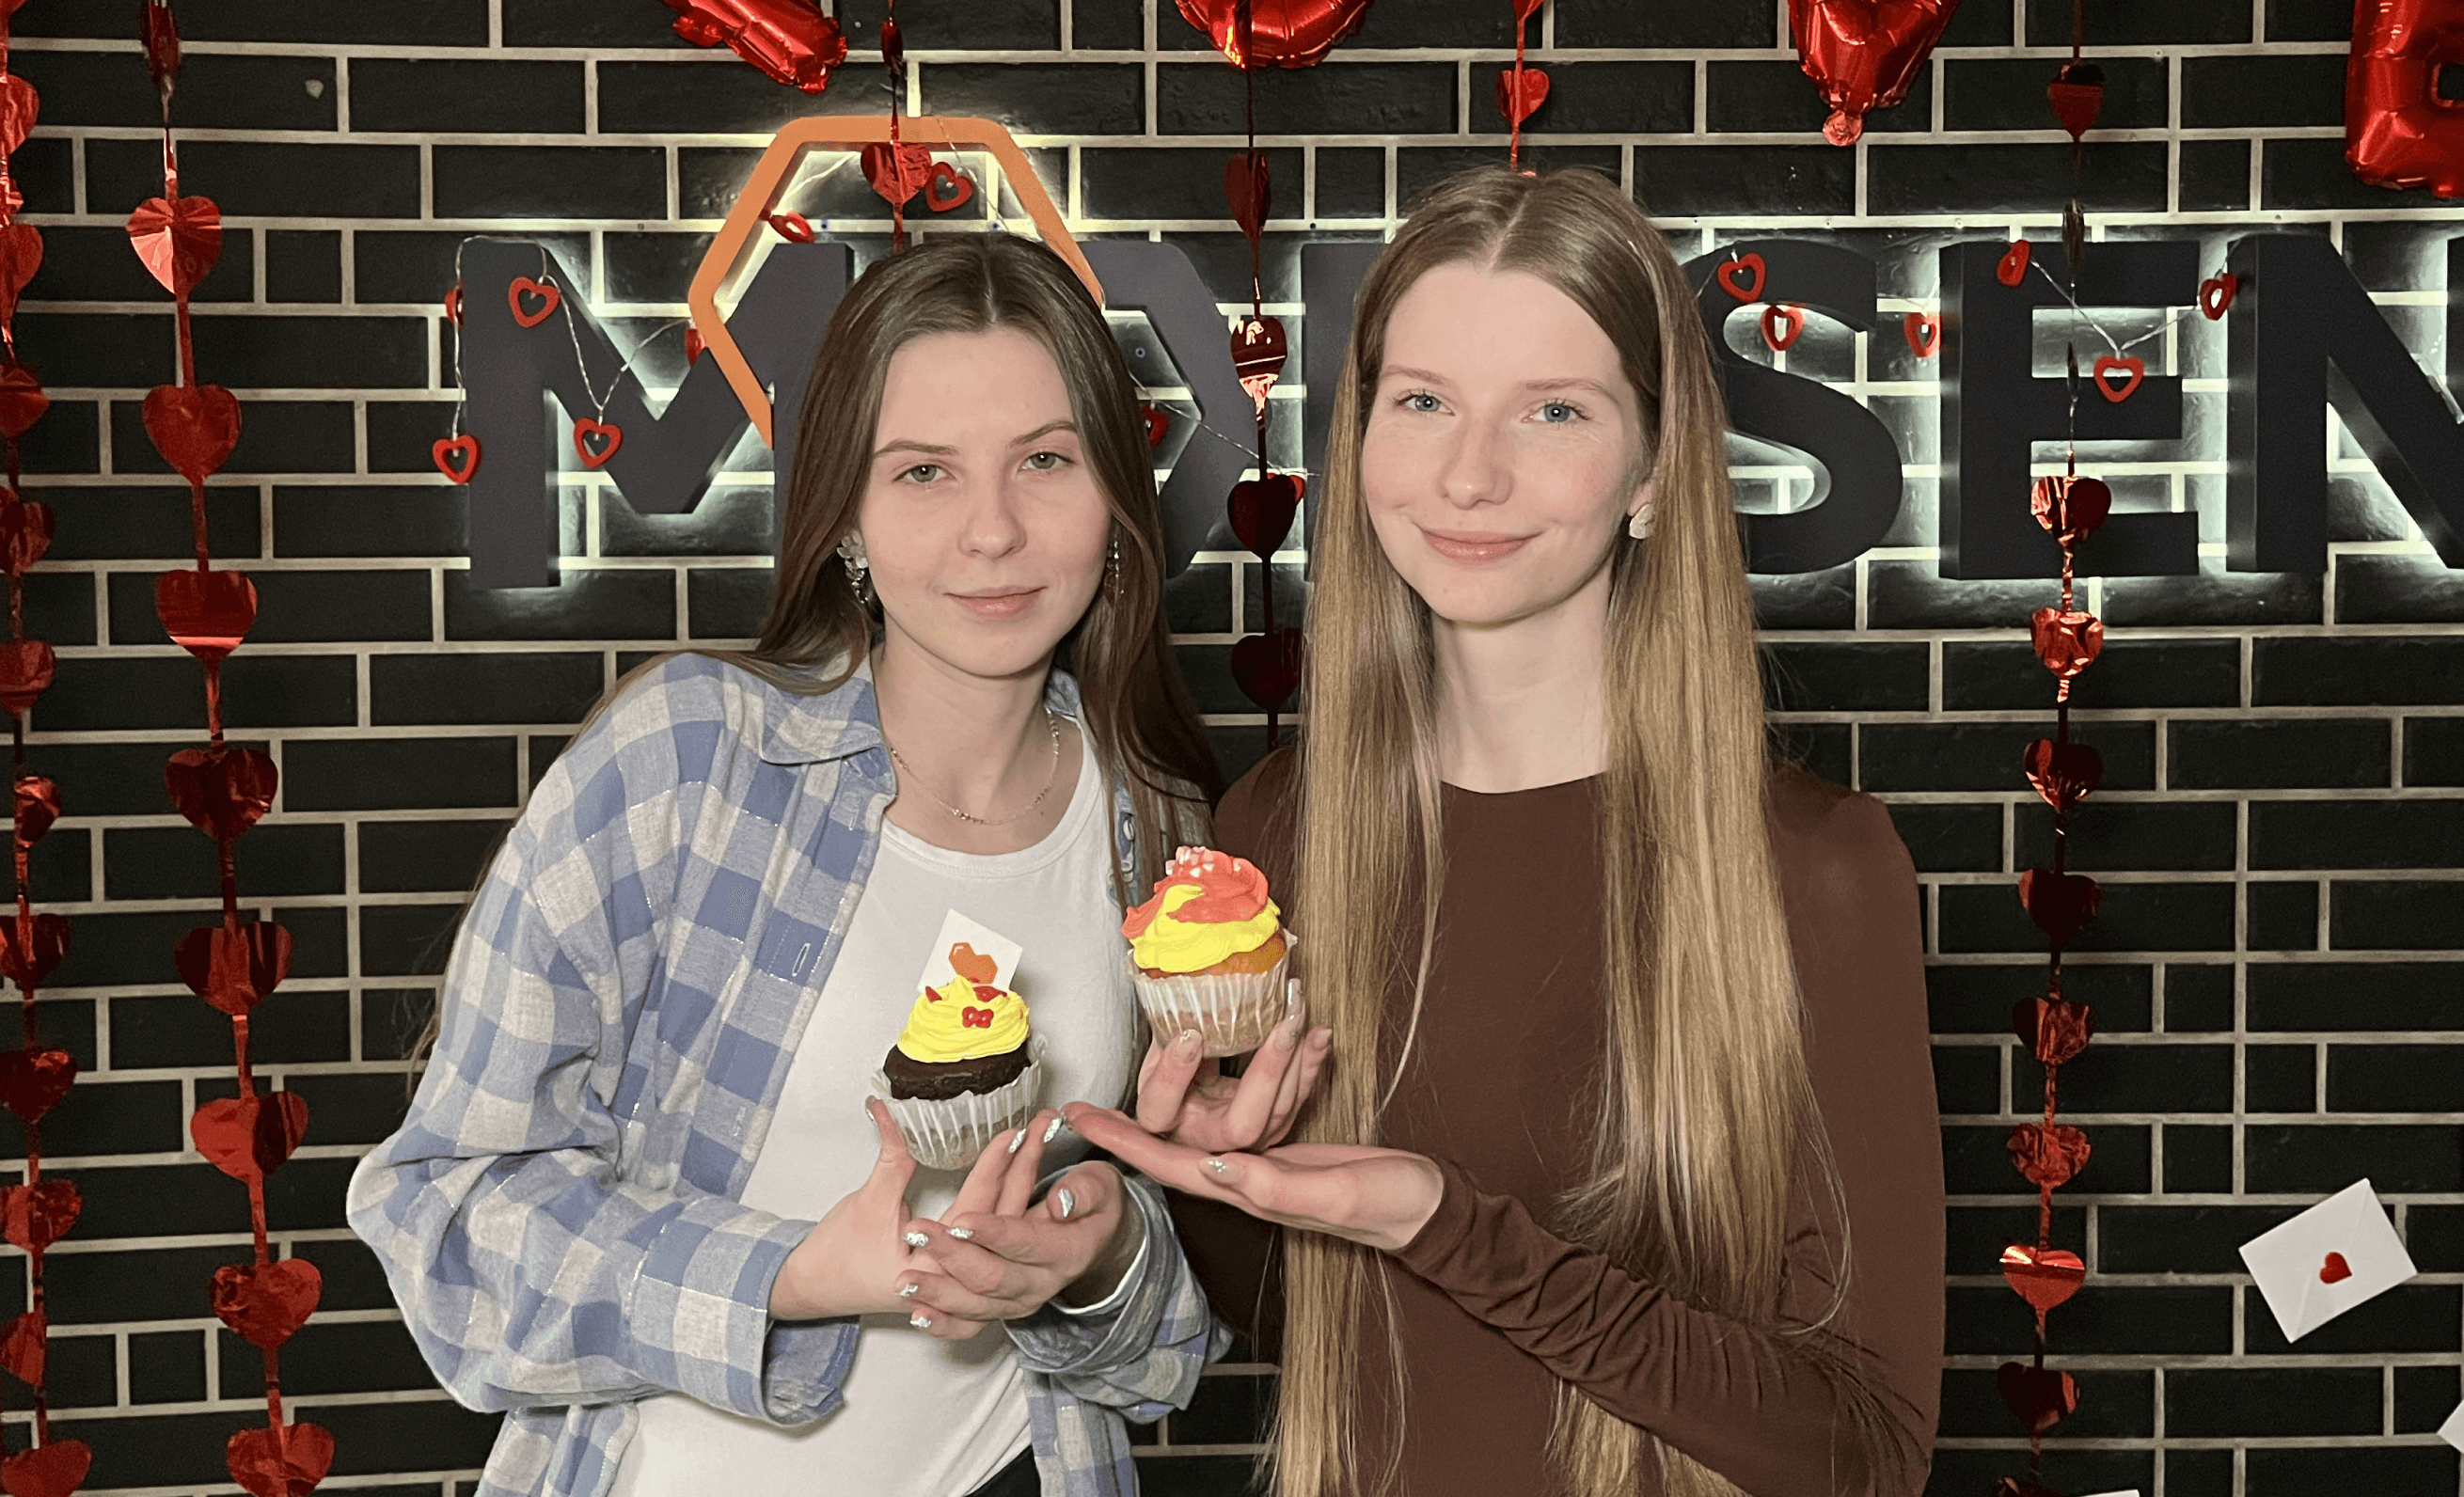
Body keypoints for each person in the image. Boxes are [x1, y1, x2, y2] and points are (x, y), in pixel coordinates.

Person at [1067, 167, 1946, 1497]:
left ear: (1652, 470)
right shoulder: (1279, 832)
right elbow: (1316, 1339)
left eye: (1554, 410)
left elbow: (1866, 1455)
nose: (1470, 475)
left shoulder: (1816, 868)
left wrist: (1450, 1225)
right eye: (1422, 403)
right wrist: (1212, 1182)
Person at [348, 233, 1232, 1497]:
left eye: (1047, 459)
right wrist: (796, 1274)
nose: (994, 530)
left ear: (1114, 499)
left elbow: (1160, 1363)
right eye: (923, 472)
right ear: (847, 520)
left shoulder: (1153, 825)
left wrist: (1092, 1261)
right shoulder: (686, 761)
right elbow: (442, 1221)